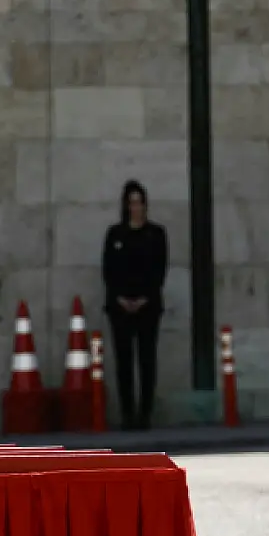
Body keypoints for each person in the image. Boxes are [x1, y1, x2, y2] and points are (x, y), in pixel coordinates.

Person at [101, 180, 167, 430]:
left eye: (139, 202)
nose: (136, 207)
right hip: (119, 307)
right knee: (124, 361)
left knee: (147, 360)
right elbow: (108, 271)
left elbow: (159, 270)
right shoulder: (115, 235)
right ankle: (127, 414)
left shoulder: (156, 234)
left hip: (147, 306)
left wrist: (143, 299)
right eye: (131, 203)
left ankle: (145, 415)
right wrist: (120, 298)